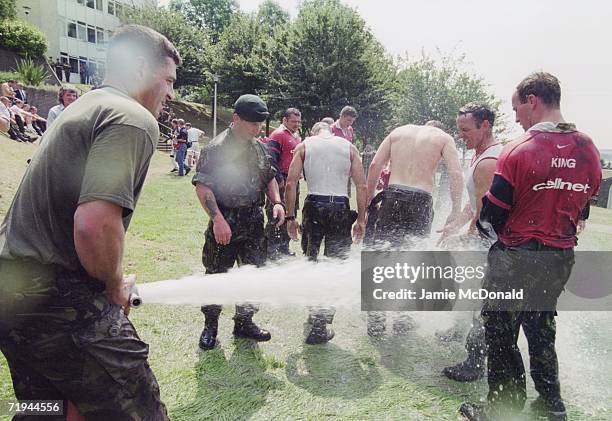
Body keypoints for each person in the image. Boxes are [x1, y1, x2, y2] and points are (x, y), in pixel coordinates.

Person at [0, 24, 181, 419]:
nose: (170, 94)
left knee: (44, 410)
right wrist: (114, 285)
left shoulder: (82, 106)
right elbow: (94, 224)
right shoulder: (132, 117)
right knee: (141, 411)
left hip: (13, 295)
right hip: (60, 300)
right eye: (167, 80)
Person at [460, 72, 602, 421]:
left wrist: (484, 227)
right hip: (560, 255)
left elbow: (493, 213)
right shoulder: (588, 148)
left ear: (533, 100)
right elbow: (583, 205)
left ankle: (502, 408)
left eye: (516, 109)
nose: (516, 117)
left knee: (500, 331)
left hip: (516, 256)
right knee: (541, 328)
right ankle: (552, 405)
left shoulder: (519, 149)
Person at [192, 94, 285, 351]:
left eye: (260, 124)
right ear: (236, 119)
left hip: (253, 222)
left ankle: (244, 322)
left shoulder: (259, 147)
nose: (257, 129)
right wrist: (218, 220)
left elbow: (269, 178)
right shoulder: (216, 149)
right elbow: (203, 187)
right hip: (226, 221)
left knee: (252, 275)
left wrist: (276, 202)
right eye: (252, 123)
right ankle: (210, 326)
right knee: (216, 276)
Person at [364, 121, 463, 336]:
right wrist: (455, 210)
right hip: (421, 199)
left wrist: (370, 200)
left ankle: (376, 320)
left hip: (393, 194)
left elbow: (374, 165)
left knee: (384, 255)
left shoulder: (397, 132)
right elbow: (456, 174)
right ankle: (402, 318)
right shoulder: (443, 138)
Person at [435, 103, 503, 383]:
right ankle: (457, 329)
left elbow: (484, 212)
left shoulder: (490, 161)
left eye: (466, 130)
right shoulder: (480, 155)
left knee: (480, 300)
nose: (461, 135)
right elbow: (472, 204)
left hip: (491, 244)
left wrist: (466, 234)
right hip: (482, 240)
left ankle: (475, 362)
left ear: (484, 125)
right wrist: (455, 224)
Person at [284, 121, 366, 344]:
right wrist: (360, 219)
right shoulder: (349, 147)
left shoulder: (305, 145)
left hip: (314, 205)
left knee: (311, 261)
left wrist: (291, 218)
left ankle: (314, 314)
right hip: (340, 206)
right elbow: (362, 185)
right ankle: (323, 320)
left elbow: (291, 183)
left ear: (314, 131)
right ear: (331, 130)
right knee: (335, 265)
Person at [264, 107, 302, 259]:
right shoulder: (278, 135)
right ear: (284, 120)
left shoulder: (296, 136)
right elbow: (271, 159)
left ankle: (284, 247)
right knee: (275, 215)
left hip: (293, 182)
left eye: (299, 122)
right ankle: (270, 249)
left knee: (290, 214)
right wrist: (279, 180)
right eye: (293, 121)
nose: (297, 124)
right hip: (281, 181)